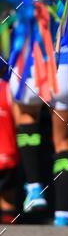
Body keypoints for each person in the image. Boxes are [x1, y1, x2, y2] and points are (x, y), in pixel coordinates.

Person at [0, 0, 68, 224]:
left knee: (25, 117)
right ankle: (62, 212)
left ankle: (33, 188)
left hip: (31, 58)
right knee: (65, 140)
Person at [0, 78, 19, 223]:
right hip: (8, 154)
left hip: (7, 156)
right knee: (8, 200)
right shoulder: (8, 88)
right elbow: (19, 122)